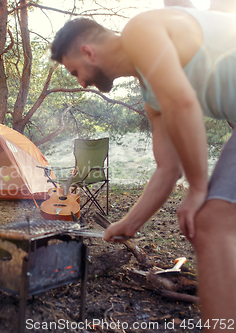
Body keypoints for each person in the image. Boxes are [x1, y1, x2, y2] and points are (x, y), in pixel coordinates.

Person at [50, 7, 236, 325]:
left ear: (88, 52)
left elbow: (183, 102)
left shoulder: (140, 29)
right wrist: (129, 223)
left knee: (210, 221)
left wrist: (197, 188)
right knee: (214, 224)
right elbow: (168, 169)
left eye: (74, 72)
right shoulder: (151, 95)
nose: (80, 84)